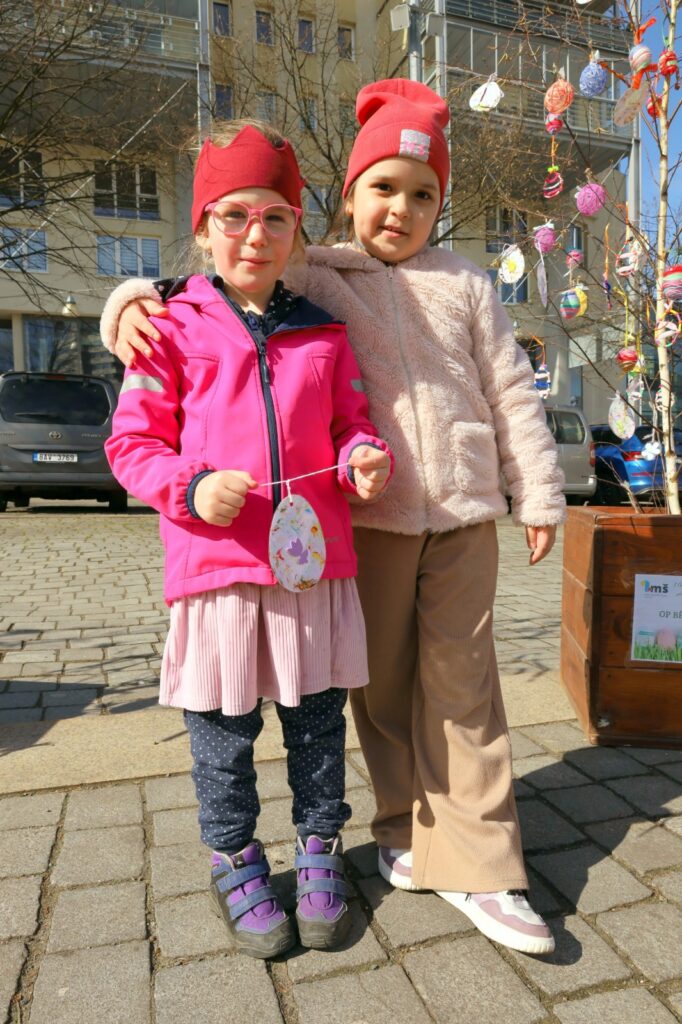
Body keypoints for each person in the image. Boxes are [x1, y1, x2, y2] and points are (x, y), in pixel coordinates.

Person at [101, 80, 566, 957]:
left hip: (444, 517)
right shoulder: (315, 275)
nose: (401, 208)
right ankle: (395, 832)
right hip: (318, 541)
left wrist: (535, 490)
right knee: (372, 697)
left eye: (423, 194)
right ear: (348, 196)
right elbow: (208, 288)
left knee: (461, 688)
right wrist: (125, 300)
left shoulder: (455, 286)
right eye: (382, 187)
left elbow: (510, 390)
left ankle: (480, 862)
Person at [104, 120, 393, 960]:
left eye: (274, 217)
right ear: (203, 229)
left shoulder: (324, 331)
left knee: (316, 728)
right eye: (233, 215)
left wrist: (362, 458)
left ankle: (319, 846)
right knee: (223, 738)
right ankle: (233, 857)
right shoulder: (169, 328)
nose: (255, 235)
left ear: (296, 228)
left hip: (310, 573)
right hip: (218, 570)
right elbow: (132, 445)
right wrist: (191, 488)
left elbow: (350, 424)